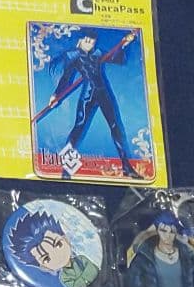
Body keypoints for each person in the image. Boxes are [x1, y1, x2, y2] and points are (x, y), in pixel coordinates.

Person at [49, 29, 142, 179]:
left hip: (103, 93)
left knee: (116, 127)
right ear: (80, 40)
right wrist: (56, 95)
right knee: (78, 129)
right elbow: (66, 78)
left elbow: (118, 59)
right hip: (88, 96)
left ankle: (127, 167)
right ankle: (66, 169)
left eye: (92, 41)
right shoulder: (73, 55)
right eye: (86, 40)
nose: (89, 44)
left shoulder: (98, 53)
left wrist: (124, 44)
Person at [6, 209, 98, 287]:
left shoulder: (81, 259)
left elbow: (93, 270)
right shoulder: (64, 277)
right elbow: (75, 286)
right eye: (46, 258)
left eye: (58, 244)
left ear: (66, 239)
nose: (57, 255)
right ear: (44, 267)